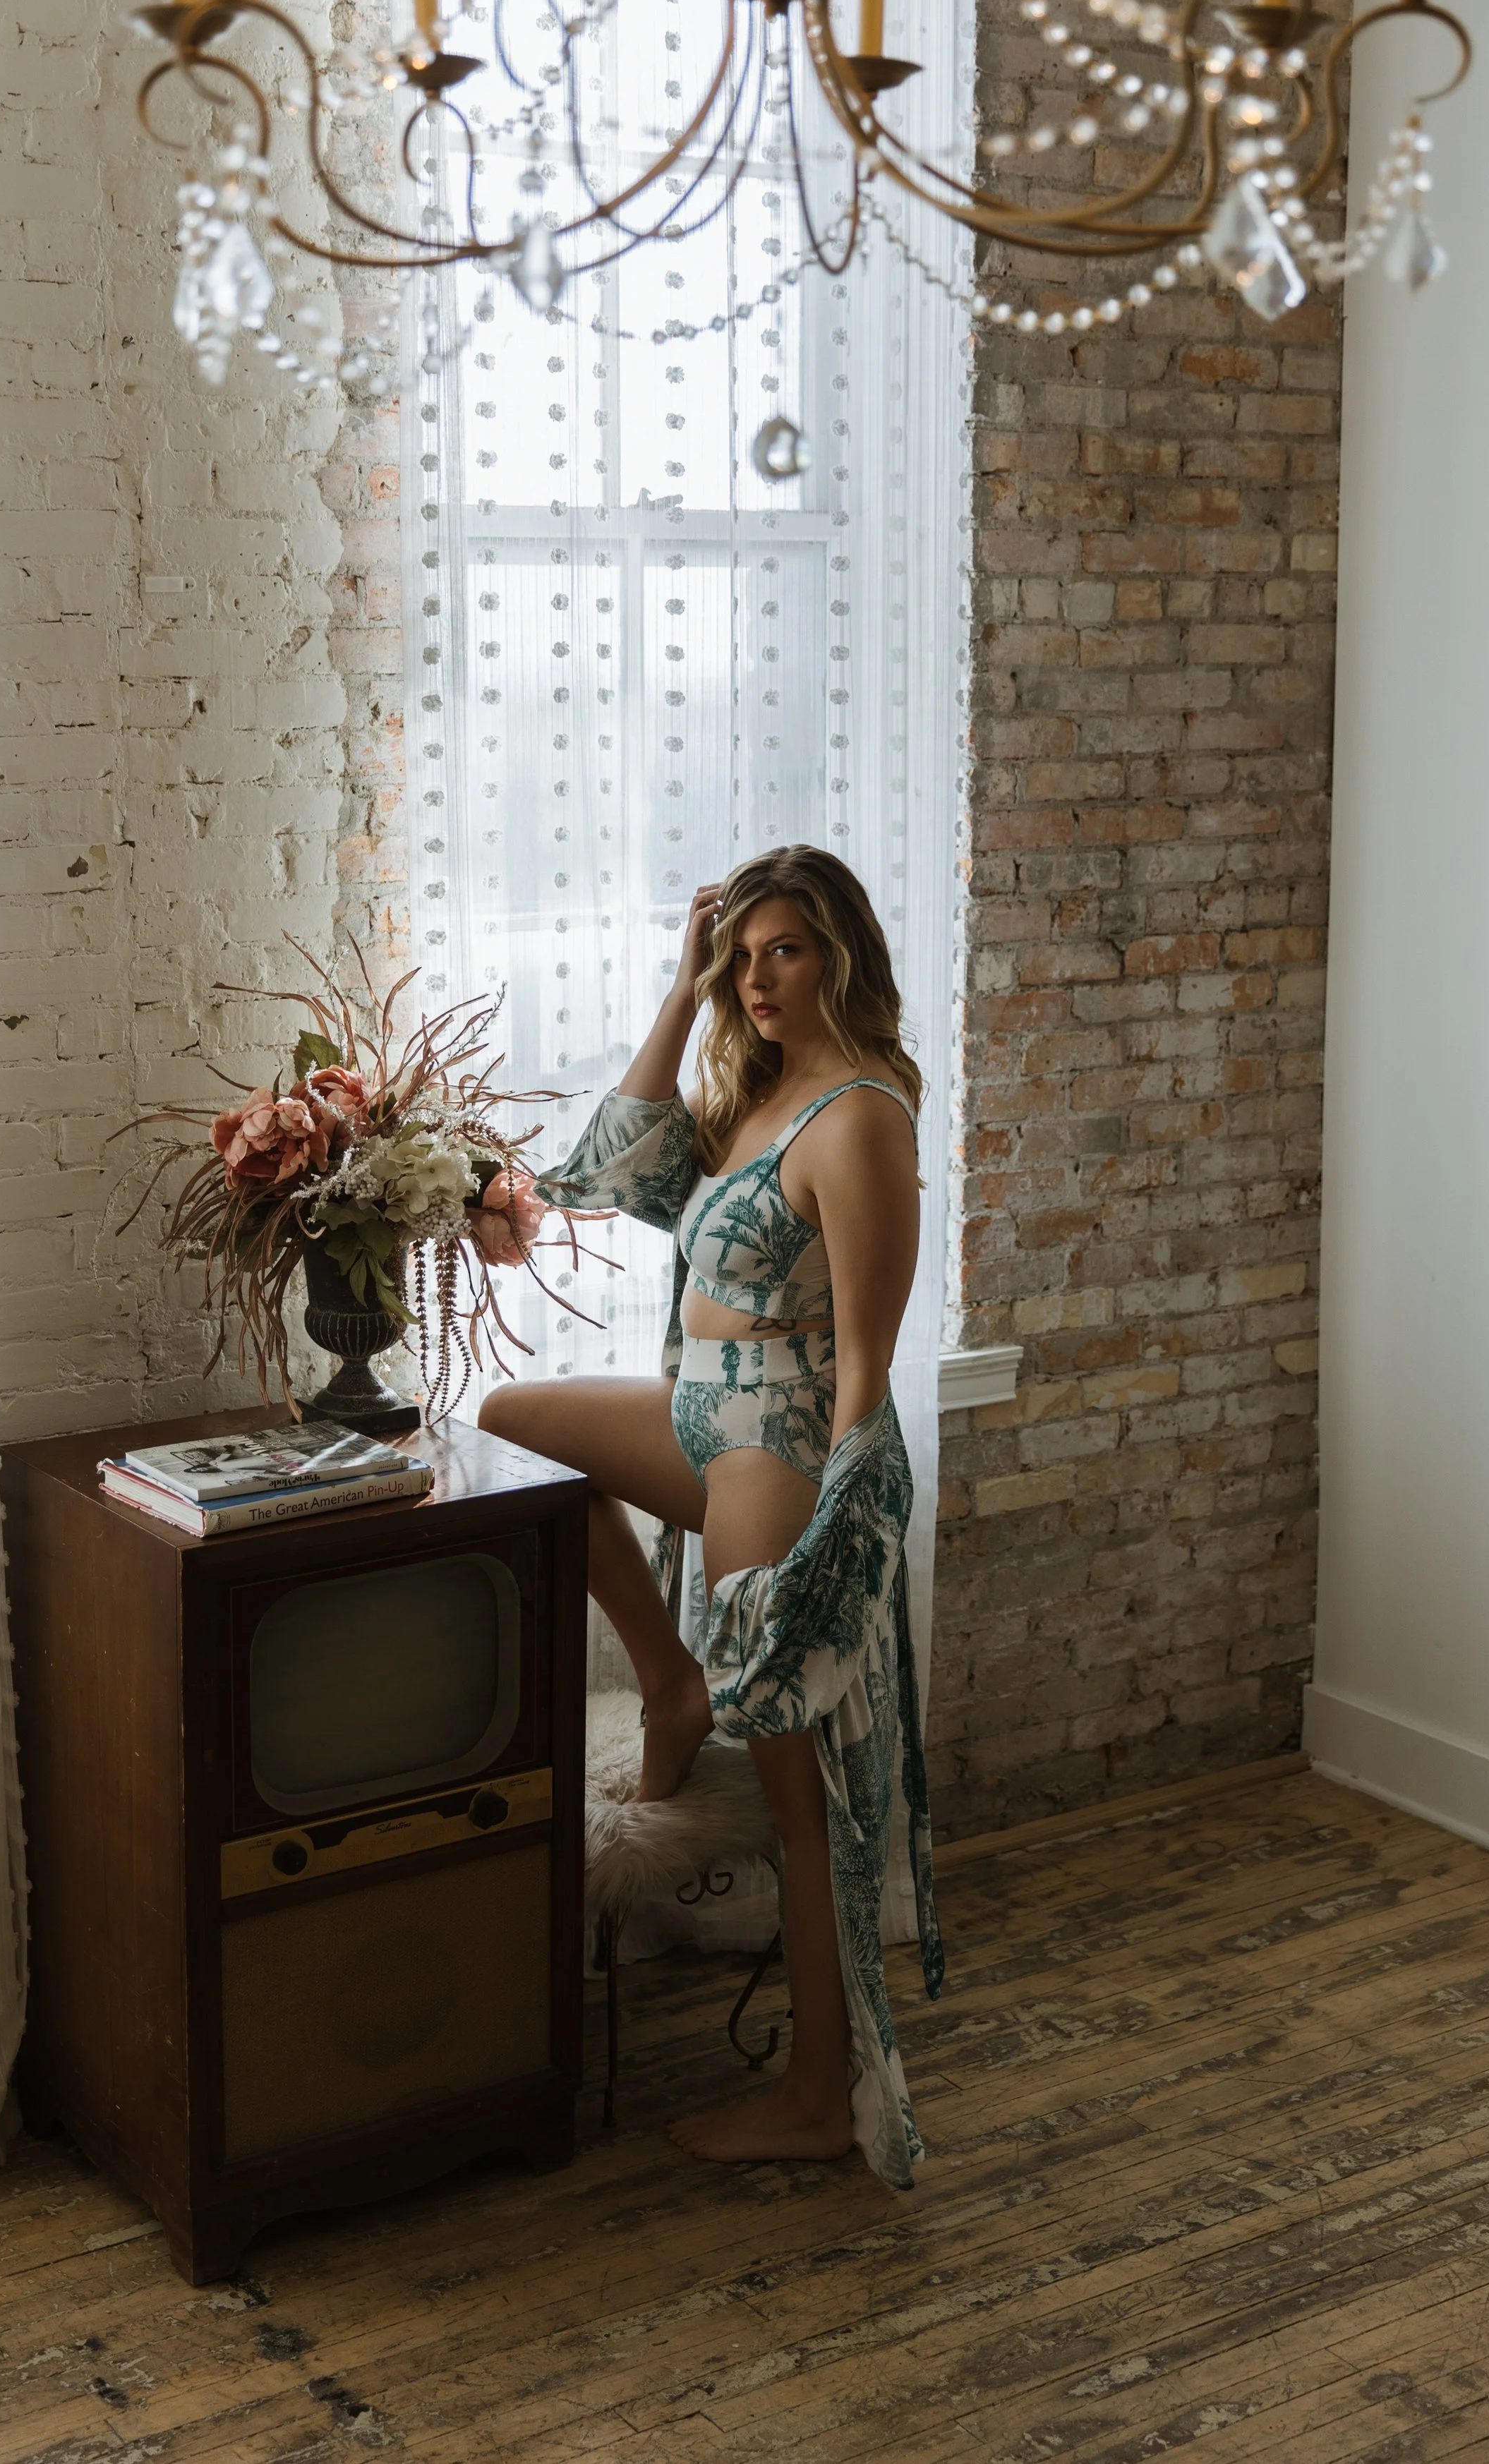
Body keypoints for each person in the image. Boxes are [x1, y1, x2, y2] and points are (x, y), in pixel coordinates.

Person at [478, 846, 942, 2184]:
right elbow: (608, 1172)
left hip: (772, 1452)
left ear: (840, 952)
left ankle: (816, 2094)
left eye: (782, 949)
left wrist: (842, 1524)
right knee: (511, 1421)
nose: (759, 978)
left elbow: (866, 1362)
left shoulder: (859, 1116)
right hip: (698, 1410)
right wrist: (682, 992)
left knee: (802, 1799)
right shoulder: (755, 1090)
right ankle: (670, 1681)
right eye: (742, 956)